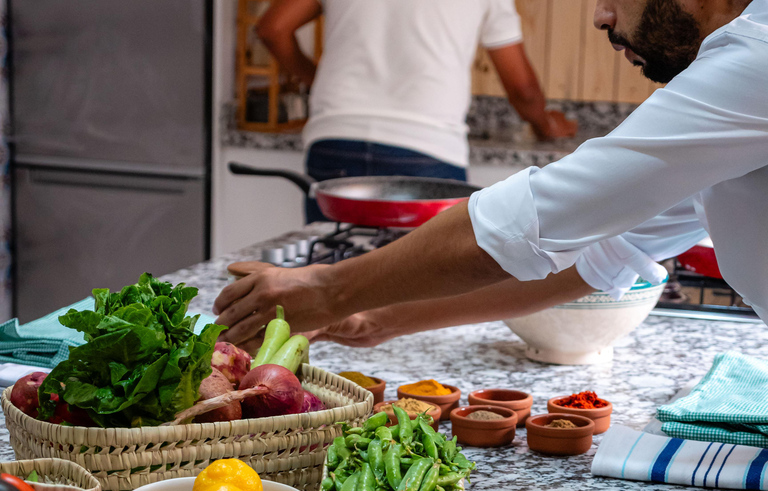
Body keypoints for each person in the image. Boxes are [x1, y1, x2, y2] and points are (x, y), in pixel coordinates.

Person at [214, 0, 768, 348]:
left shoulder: (757, 58)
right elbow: (600, 255)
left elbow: (523, 223)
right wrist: (375, 318)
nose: (600, 16)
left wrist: (327, 288)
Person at [256, 0, 577, 222]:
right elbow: (522, 90)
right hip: (427, 150)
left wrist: (317, 81)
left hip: (336, 139)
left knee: (329, 276)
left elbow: (272, 29)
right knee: (418, 292)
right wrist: (545, 125)